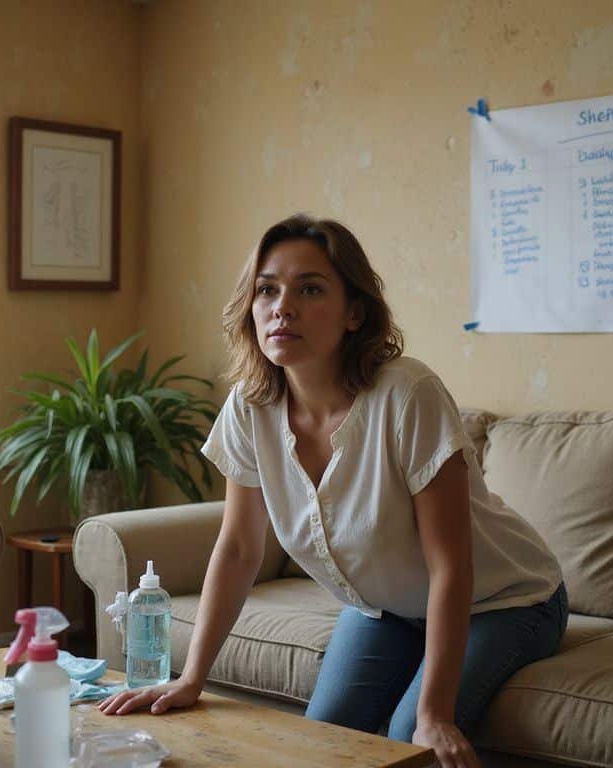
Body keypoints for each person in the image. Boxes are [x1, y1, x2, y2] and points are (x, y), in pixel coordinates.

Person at [98, 214, 567, 768]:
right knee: (320, 746)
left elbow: (451, 565)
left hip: (503, 602)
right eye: (267, 289)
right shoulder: (250, 407)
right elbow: (239, 549)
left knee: (404, 741)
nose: (283, 307)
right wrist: (192, 678)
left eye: (310, 289)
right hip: (381, 611)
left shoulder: (408, 394)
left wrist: (434, 714)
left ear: (354, 313)